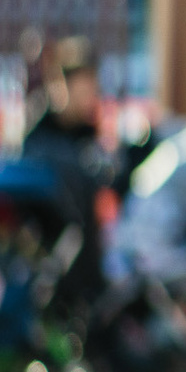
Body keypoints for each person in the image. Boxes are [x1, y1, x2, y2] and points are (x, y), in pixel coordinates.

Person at [21, 39, 112, 324]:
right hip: (53, 259)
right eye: (83, 90)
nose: (88, 99)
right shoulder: (40, 139)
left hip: (91, 262)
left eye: (92, 91)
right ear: (60, 86)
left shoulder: (89, 136)